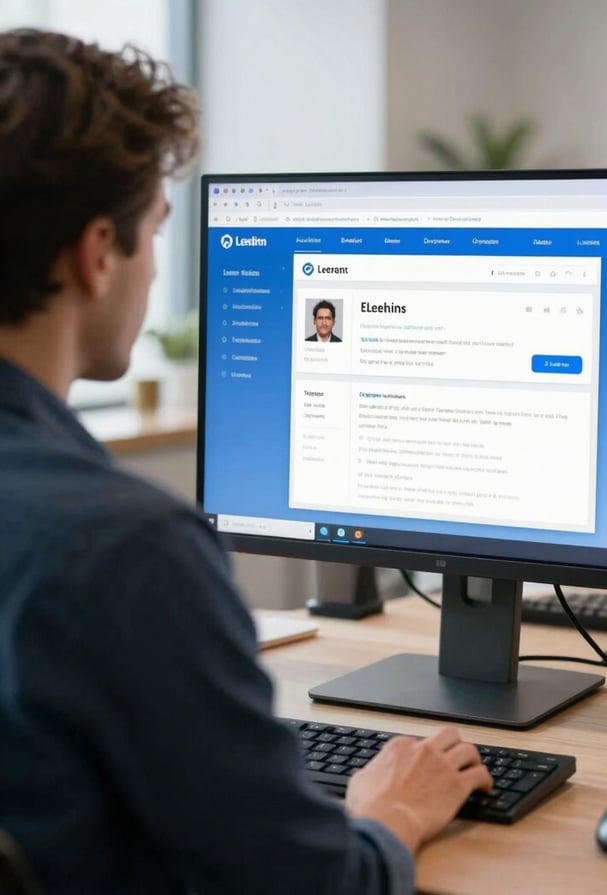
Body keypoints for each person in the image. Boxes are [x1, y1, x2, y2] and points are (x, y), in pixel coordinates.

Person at [0, 29, 492, 895]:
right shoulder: (126, 549)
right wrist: (394, 810)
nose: (156, 270)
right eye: (155, 232)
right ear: (97, 250)